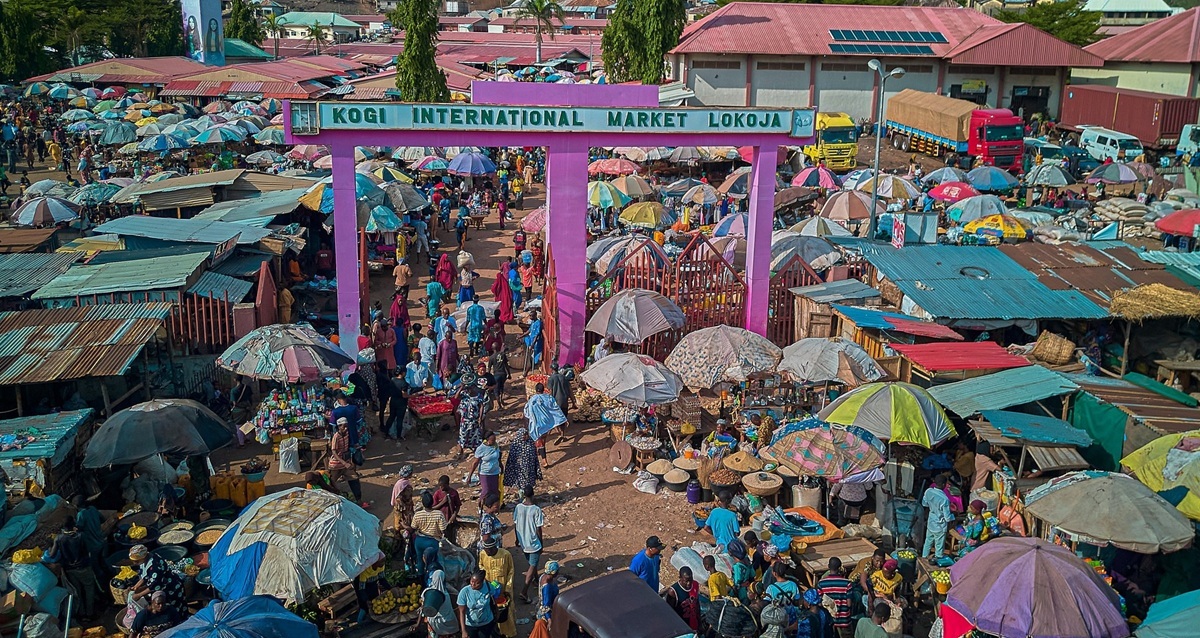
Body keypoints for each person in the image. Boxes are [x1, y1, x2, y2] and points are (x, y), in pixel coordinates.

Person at [46, 517, 99, 619]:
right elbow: (89, 550)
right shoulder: (81, 536)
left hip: (69, 570)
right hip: (83, 567)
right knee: (89, 589)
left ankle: (81, 612)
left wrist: (50, 546)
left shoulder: (58, 538)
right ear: (73, 525)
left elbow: (52, 555)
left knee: (77, 591)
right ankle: (90, 613)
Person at [478, 536, 517, 638]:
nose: (486, 552)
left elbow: (511, 571)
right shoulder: (482, 554)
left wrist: (508, 588)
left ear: (493, 548)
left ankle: (508, 633)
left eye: (488, 550)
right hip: (489, 588)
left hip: (504, 589)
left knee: (505, 612)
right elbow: (481, 566)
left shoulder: (505, 554)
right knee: (491, 611)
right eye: (485, 550)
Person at [128, 544, 185, 610]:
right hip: (162, 586)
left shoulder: (155, 566)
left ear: (143, 557)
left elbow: (154, 585)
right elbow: (145, 575)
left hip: (171, 588)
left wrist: (139, 595)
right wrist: (135, 587)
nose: (134, 563)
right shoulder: (145, 560)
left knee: (174, 609)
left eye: (136, 561)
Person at [513, 486, 545, 604]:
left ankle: (536, 580)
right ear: (533, 495)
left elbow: (516, 524)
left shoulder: (518, 507)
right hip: (533, 542)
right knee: (532, 566)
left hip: (523, 541)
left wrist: (517, 539)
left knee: (532, 563)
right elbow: (538, 529)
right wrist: (541, 543)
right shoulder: (536, 510)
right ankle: (524, 592)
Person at [524, 383, 567, 465]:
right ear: (543, 390)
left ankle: (544, 460)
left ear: (536, 390)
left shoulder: (532, 400)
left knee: (539, 440)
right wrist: (563, 419)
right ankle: (539, 451)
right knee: (542, 439)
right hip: (546, 423)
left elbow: (527, 413)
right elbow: (555, 408)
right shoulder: (549, 397)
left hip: (537, 423)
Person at [328, 418, 366, 505]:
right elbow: (334, 452)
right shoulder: (336, 437)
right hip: (336, 464)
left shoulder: (348, 434)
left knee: (354, 479)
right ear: (339, 427)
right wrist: (344, 463)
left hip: (346, 462)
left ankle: (358, 500)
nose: (345, 428)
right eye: (343, 426)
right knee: (331, 483)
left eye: (346, 426)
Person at [410, 491, 447, 575]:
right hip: (433, 541)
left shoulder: (418, 514)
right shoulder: (439, 514)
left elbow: (413, 528)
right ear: (433, 502)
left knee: (420, 560)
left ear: (423, 504)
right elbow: (443, 530)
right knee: (433, 561)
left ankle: (421, 580)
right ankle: (432, 580)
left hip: (419, 541)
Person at [817, 557, 854, 636]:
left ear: (828, 566)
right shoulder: (847, 583)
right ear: (840, 568)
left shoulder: (821, 583)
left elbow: (820, 603)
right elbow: (849, 604)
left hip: (828, 621)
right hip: (844, 621)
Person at [457, 569, 498, 638]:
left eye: (477, 583)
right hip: (471, 625)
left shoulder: (488, 586)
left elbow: (494, 599)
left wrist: (497, 612)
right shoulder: (464, 592)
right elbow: (461, 612)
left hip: (487, 623)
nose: (473, 584)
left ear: (482, 582)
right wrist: (463, 630)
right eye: (472, 581)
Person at [922, 474, 955, 560]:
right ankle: (938, 561)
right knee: (939, 547)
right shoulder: (945, 499)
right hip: (940, 526)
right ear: (944, 485)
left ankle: (923, 558)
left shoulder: (928, 491)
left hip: (931, 522)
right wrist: (953, 516)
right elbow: (947, 517)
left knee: (928, 542)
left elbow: (924, 504)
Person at [420, 569, 460, 638]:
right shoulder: (446, 594)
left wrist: (418, 624)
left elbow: (423, 607)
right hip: (448, 622)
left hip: (433, 622)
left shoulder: (427, 592)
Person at [503, 427, 542, 493]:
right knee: (521, 485)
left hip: (530, 467)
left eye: (527, 434)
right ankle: (522, 498)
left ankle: (529, 497)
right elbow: (511, 458)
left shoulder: (531, 442)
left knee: (530, 484)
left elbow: (535, 454)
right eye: (524, 435)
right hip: (520, 469)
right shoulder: (515, 444)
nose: (526, 436)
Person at [662, 567, 701, 631]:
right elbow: (670, 613)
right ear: (680, 578)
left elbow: (697, 604)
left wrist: (699, 623)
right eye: (686, 581)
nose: (688, 583)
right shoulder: (673, 591)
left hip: (693, 624)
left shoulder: (695, 585)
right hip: (682, 627)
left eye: (690, 580)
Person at [469, 430, 502, 503]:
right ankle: (480, 507)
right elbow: (475, 463)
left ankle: (494, 506)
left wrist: (501, 467)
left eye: (495, 439)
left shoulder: (495, 446)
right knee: (486, 491)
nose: (494, 441)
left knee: (495, 491)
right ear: (486, 440)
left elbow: (498, 457)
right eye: (492, 440)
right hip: (484, 473)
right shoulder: (481, 448)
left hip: (495, 472)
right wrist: (469, 476)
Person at [456, 383, 487, 457]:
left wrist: (480, 417)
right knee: (463, 435)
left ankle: (476, 451)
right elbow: (456, 397)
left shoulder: (478, 396)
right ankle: (460, 452)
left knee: (475, 435)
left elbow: (481, 406)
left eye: (470, 389)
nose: (468, 391)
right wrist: (461, 388)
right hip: (464, 420)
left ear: (474, 388)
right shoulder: (464, 394)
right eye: (467, 389)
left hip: (474, 419)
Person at [391, 469, 415, 534]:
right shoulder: (407, 486)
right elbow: (408, 497)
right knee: (405, 524)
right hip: (404, 507)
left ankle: (398, 536)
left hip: (398, 507)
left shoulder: (399, 483)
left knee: (398, 523)